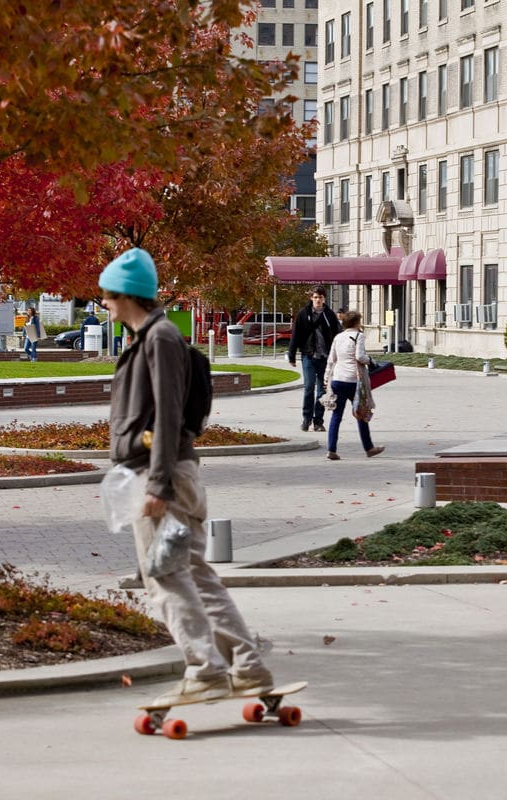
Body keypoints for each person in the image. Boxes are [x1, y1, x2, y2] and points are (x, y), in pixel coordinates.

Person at [100, 247, 274, 705]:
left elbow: (171, 414)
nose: (103, 304)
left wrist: (156, 484)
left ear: (126, 294)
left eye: (107, 295)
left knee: (167, 579)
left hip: (164, 478)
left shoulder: (158, 339)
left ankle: (205, 669)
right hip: (175, 475)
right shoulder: (153, 338)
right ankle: (248, 666)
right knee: (194, 573)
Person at [323, 310, 385, 460]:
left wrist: (326, 380)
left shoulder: (338, 337)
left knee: (336, 416)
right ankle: (369, 447)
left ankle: (331, 449)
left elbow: (331, 359)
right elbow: (360, 357)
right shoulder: (359, 336)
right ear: (357, 322)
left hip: (338, 379)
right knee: (361, 413)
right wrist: (370, 360)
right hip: (354, 381)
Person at [287, 285, 341, 432]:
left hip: (325, 358)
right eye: (315, 297)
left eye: (321, 297)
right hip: (309, 356)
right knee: (309, 387)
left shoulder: (329, 315)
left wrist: (338, 355)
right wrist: (291, 355)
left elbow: (337, 335)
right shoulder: (304, 314)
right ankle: (306, 418)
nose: (318, 300)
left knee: (322, 390)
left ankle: (318, 421)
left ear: (324, 298)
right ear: (311, 298)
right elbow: (296, 335)